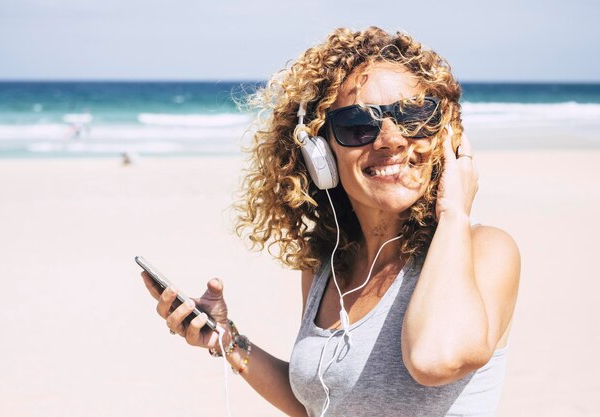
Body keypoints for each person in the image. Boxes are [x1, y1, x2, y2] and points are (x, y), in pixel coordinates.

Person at [140, 26, 520, 417]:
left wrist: (455, 211)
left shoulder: (485, 250)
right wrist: (227, 340)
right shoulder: (329, 268)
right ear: (319, 154)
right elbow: (319, 404)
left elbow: (435, 360)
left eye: (414, 115)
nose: (391, 139)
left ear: (442, 134)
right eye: (358, 125)